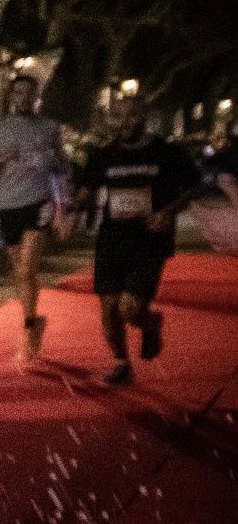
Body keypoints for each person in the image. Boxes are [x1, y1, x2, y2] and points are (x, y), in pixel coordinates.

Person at [79, 94, 201, 385]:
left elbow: (195, 186)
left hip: (149, 240)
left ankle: (151, 322)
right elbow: (86, 188)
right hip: (111, 240)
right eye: (116, 116)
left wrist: (168, 211)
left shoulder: (165, 152)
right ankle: (121, 363)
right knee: (109, 311)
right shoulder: (102, 155)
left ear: (143, 116)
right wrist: (79, 200)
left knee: (129, 308)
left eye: (130, 116)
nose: (123, 123)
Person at [0, 74, 68, 362]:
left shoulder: (50, 128)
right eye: (18, 92)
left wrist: (51, 157)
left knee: (26, 269)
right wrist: (1, 160)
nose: (23, 97)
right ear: (11, 96)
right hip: (8, 206)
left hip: (38, 203)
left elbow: (64, 165)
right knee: (20, 272)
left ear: (36, 95)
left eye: (29, 92)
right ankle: (33, 320)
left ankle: (28, 329)